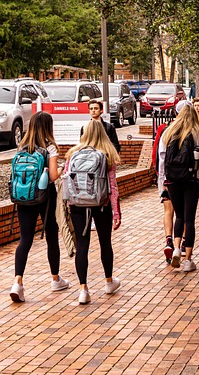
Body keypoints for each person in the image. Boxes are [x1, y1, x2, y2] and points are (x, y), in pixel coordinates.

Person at [9, 112, 68, 303]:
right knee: (51, 236)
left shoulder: (22, 147)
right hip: (45, 197)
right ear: (48, 127)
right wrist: (62, 168)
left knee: (25, 240)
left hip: (23, 196)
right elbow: (52, 176)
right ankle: (55, 279)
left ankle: (17, 283)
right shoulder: (49, 147)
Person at [64, 120, 122, 304]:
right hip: (101, 204)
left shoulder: (73, 154)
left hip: (77, 204)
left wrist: (67, 204)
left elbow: (66, 180)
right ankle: (108, 282)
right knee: (105, 243)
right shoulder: (107, 154)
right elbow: (112, 186)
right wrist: (116, 213)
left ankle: (83, 290)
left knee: (82, 245)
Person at [157, 105, 199, 272]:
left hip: (172, 180)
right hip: (191, 179)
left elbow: (162, 160)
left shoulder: (168, 133)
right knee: (189, 219)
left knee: (178, 216)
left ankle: (177, 249)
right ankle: (188, 260)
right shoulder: (198, 135)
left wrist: (163, 182)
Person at [153, 100, 191, 264]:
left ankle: (169, 240)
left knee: (168, 211)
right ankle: (182, 243)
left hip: (168, 178)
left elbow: (160, 157)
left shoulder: (165, 130)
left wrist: (162, 179)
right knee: (184, 213)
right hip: (186, 178)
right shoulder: (192, 132)